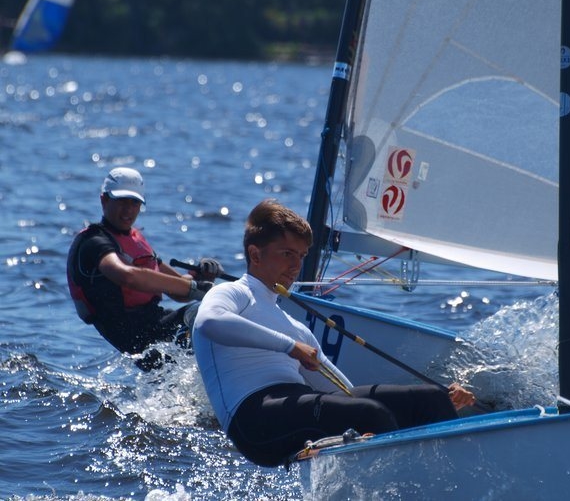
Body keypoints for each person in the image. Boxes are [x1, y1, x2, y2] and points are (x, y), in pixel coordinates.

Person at [192, 199, 476, 467]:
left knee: (429, 400)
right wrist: (290, 347)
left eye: (301, 256)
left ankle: (451, 478)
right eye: (287, 254)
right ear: (255, 254)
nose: (296, 266)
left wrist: (445, 395)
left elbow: (343, 392)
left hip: (294, 404)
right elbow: (209, 322)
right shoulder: (234, 293)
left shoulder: (295, 327)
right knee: (369, 415)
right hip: (252, 420)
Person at [66, 167, 223, 369]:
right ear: (104, 200)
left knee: (215, 311)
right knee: (205, 313)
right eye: (121, 201)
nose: (128, 210)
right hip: (136, 336)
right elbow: (127, 276)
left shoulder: (134, 240)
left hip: (157, 325)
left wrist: (200, 277)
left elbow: (179, 291)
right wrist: (194, 288)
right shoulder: (94, 242)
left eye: (134, 203)